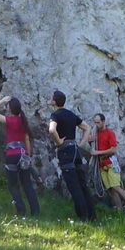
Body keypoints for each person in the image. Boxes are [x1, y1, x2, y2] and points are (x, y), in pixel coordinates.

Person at [0, 95, 41, 216]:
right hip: (22, 155)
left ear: (10, 109)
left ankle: (21, 210)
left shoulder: (9, 120)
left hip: (11, 155)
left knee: (13, 185)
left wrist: (1, 101)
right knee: (27, 184)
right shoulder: (23, 122)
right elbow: (27, 139)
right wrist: (28, 155)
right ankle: (35, 211)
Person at [47, 90, 97, 221]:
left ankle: (83, 217)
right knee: (83, 185)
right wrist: (81, 143)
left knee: (74, 187)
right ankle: (92, 216)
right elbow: (87, 128)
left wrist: (59, 142)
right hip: (76, 151)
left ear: (54, 101)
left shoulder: (55, 115)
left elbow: (52, 130)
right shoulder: (71, 114)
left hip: (65, 152)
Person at [89, 113, 125, 213]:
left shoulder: (110, 133)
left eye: (98, 122)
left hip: (111, 163)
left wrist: (98, 153)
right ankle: (119, 209)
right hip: (102, 165)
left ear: (103, 122)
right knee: (111, 189)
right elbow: (93, 146)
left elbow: (113, 150)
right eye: (95, 122)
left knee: (115, 186)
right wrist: (89, 142)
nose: (96, 125)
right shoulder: (95, 134)